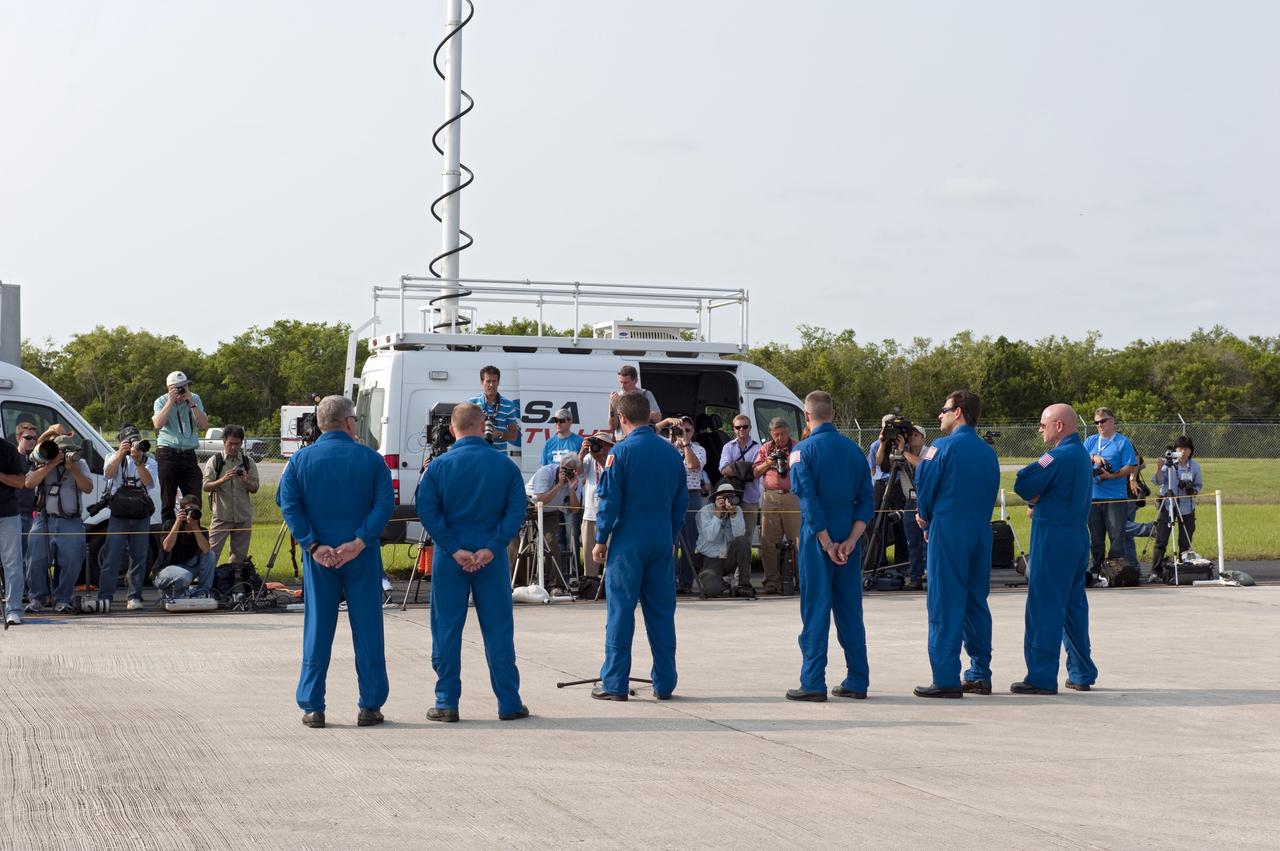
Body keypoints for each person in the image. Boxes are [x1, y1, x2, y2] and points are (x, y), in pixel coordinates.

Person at [277, 395, 394, 729]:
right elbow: (384, 505)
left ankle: (313, 706)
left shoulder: (300, 461)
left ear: (318, 423)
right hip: (362, 555)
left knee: (317, 629)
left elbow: (288, 505)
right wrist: (360, 540)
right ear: (348, 422)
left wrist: (313, 544)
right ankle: (370, 705)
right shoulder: (371, 460)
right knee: (369, 629)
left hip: (320, 558)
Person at [416, 402, 530, 722]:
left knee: (447, 630)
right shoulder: (505, 466)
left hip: (451, 558)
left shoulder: (438, 467)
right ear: (483, 427)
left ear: (452, 430)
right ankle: (509, 702)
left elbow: (427, 511)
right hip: (490, 559)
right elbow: (516, 509)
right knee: (498, 630)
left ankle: (446, 702)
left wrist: (453, 548)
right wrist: (493, 547)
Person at [590, 391, 688, 701]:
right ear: (648, 416)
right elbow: (681, 504)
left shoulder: (620, 453)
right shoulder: (672, 454)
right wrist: (670, 537)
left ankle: (615, 683)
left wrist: (600, 539)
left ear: (621, 419)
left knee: (620, 611)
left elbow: (609, 501)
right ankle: (665, 683)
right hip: (661, 536)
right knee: (661, 612)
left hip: (628, 539)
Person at [785, 391, 875, 701]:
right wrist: (850, 540)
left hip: (817, 539)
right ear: (833, 414)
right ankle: (858, 678)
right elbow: (867, 500)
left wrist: (826, 542)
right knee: (850, 609)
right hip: (849, 537)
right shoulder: (855, 451)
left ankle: (812, 681)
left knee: (816, 608)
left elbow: (808, 499)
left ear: (807, 417)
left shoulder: (801, 452)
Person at [912, 390, 1001, 699]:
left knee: (944, 601)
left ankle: (946, 677)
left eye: (944, 409)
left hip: (948, 528)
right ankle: (980, 673)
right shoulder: (988, 452)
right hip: (980, 529)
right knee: (976, 601)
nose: (940, 415)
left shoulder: (940, 447)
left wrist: (924, 516)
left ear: (959, 412)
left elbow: (925, 486)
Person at [1010, 403, 1098, 694]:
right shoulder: (1082, 455)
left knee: (1044, 607)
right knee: (1073, 607)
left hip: (1053, 537)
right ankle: (1081, 671)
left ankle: (1041, 676)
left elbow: (1023, 482)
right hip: (1076, 535)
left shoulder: (1057, 456)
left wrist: (1037, 498)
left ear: (1058, 425)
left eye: (1043, 424)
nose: (1040, 430)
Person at [24, 432, 93, 617]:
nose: (63, 455)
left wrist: (73, 469)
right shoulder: (43, 461)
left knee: (71, 562)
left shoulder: (80, 464)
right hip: (43, 519)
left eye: (67, 451)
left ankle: (63, 599)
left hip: (71, 520)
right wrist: (51, 464)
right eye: (60, 452)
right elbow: (29, 483)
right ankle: (38, 598)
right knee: (36, 560)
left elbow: (88, 488)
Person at [99, 425, 159, 611]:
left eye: (137, 440)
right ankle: (105, 597)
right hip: (119, 512)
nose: (135, 444)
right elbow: (108, 475)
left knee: (139, 556)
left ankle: (134, 596)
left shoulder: (149, 459)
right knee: (112, 555)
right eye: (130, 441)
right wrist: (120, 454)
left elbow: (149, 483)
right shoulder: (112, 456)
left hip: (140, 512)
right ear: (121, 442)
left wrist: (138, 461)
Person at [1083, 407, 1138, 577]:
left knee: (1116, 537)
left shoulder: (1122, 442)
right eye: (1096, 422)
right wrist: (1094, 458)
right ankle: (1097, 570)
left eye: (1103, 421)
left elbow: (1131, 466)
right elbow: (1079, 458)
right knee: (1096, 539)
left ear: (1112, 421)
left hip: (1115, 498)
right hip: (1093, 498)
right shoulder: (1091, 441)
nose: (1099, 425)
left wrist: (1112, 475)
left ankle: (1114, 570)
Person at [152, 370, 209, 524]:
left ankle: (192, 535)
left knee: (195, 499)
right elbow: (157, 424)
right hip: (168, 454)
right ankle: (169, 539)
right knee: (168, 502)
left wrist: (191, 403)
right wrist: (170, 402)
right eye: (178, 387)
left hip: (189, 454)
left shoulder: (194, 398)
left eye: (185, 386)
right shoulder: (161, 401)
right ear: (169, 388)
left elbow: (204, 425)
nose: (182, 390)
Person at [657, 415, 705, 593]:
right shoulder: (665, 446)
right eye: (679, 429)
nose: (682, 433)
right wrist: (667, 422)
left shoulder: (699, 449)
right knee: (669, 541)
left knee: (689, 541)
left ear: (693, 433)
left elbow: (693, 465)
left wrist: (685, 444)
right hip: (668, 496)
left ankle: (685, 582)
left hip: (690, 495)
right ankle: (668, 581)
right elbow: (648, 431)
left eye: (687, 430)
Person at [754, 417, 801, 595]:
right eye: (775, 435)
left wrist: (788, 464)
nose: (779, 438)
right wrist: (769, 462)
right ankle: (771, 583)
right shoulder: (766, 448)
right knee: (768, 541)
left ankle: (802, 580)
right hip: (770, 497)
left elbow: (804, 469)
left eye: (782, 434)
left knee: (798, 540)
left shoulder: (797, 446)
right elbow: (754, 472)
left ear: (788, 431)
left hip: (792, 496)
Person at [202, 424, 260, 564]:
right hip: (222, 515)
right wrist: (222, 480)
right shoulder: (215, 461)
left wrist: (246, 481)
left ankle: (235, 583)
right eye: (230, 444)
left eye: (237, 444)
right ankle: (206, 583)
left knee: (239, 557)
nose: (233, 447)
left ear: (241, 443)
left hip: (242, 516)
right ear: (224, 442)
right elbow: (206, 486)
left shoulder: (248, 462)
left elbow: (255, 488)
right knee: (210, 553)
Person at [525, 454, 584, 589]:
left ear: (575, 471)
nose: (566, 472)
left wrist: (571, 489)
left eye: (570, 470)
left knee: (551, 542)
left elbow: (575, 510)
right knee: (519, 545)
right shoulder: (546, 472)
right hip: (528, 507)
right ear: (559, 465)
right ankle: (519, 582)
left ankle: (555, 584)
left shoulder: (575, 482)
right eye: (564, 469)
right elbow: (540, 500)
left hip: (549, 512)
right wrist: (559, 484)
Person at [717, 414, 761, 588]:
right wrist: (746, 470)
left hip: (749, 499)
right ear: (733, 429)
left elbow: (757, 472)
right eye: (738, 427)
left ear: (750, 428)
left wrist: (737, 467)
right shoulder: (728, 446)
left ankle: (743, 578)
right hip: (731, 500)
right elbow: (723, 470)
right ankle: (727, 578)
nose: (741, 430)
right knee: (729, 537)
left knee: (747, 539)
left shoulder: (758, 447)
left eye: (745, 426)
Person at [1151, 436, 1203, 578]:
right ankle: (1155, 571)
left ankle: (1182, 570)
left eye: (1186, 449)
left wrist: (1193, 491)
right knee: (1161, 540)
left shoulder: (1194, 466)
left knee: (1185, 541)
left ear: (1191, 451)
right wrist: (1158, 467)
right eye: (1180, 448)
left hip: (1187, 507)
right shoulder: (1169, 465)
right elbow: (1157, 481)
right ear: (1175, 451)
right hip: (1168, 506)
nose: (1183, 452)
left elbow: (1198, 485)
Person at [694, 481, 752, 595]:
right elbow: (710, 536)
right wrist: (718, 513)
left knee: (743, 541)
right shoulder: (705, 511)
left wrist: (733, 515)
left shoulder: (737, 510)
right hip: (710, 560)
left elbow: (739, 535)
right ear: (716, 498)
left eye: (730, 496)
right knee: (712, 590)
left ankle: (743, 585)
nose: (727, 500)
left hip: (728, 558)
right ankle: (722, 582)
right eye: (724, 497)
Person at [1, 428, 31, 626]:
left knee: (12, 564)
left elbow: (21, 482)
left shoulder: (7, 449)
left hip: (7, 514)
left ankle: (13, 609)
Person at [157, 494, 215, 598]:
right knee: (185, 576)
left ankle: (203, 592)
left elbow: (206, 550)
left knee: (211, 555)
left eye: (196, 510)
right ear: (182, 511)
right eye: (190, 510)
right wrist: (178, 523)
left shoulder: (202, 530)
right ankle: (169, 591)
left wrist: (194, 527)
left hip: (188, 568)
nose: (193, 513)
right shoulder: (170, 524)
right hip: (166, 570)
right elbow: (167, 547)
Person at [577, 430, 615, 578]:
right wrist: (582, 452)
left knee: (610, 550)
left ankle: (608, 580)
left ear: (608, 446)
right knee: (588, 551)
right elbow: (579, 473)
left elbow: (610, 474)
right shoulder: (588, 457)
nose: (599, 447)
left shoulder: (613, 457)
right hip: (590, 512)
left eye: (602, 444)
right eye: (596, 444)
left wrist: (599, 458)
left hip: (609, 513)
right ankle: (590, 582)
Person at [468, 365, 520, 449]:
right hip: (477, 455)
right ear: (482, 382)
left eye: (494, 381)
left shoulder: (509, 405)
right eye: (488, 381)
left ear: (498, 382)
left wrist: (499, 434)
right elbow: (464, 431)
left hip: (499, 456)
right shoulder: (471, 404)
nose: (491, 385)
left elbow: (514, 435)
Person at [607, 365, 662, 439]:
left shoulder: (645, 394)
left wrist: (642, 414)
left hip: (641, 438)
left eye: (626, 383)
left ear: (635, 381)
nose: (622, 386)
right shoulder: (616, 397)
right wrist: (613, 407)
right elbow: (612, 427)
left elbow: (658, 418)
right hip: (622, 440)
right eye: (621, 382)